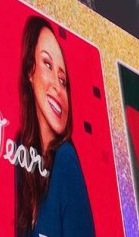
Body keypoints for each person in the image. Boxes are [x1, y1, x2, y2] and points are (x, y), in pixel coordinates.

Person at [14, 16, 95, 237]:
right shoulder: (22, 151)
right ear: (30, 70)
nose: (58, 88)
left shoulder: (65, 158)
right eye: (47, 65)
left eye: (63, 80)